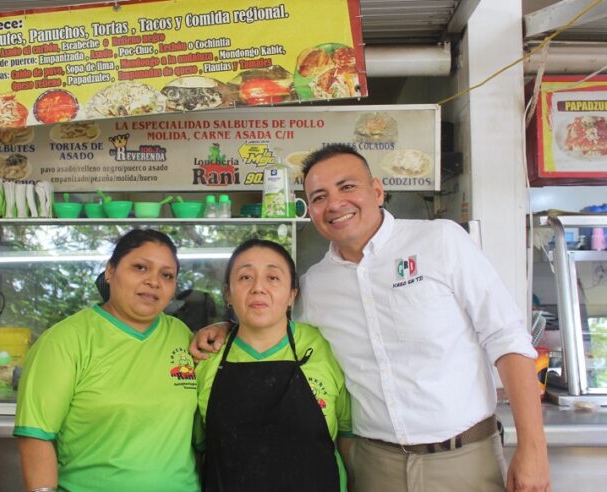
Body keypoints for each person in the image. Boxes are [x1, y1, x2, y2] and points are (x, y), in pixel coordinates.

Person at [192, 144, 550, 492]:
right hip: (372, 466)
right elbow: (268, 324)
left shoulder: (441, 241)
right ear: (310, 211)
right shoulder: (316, 285)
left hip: (464, 459)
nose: (334, 203)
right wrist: (226, 327)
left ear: (377, 190)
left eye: (347, 186)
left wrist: (533, 448)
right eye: (318, 197)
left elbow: (505, 338)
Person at [15, 229, 199, 492]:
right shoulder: (65, 341)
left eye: (166, 275)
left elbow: (199, 438)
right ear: (110, 271)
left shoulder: (182, 337)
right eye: (140, 267)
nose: (154, 281)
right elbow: (35, 436)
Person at [196, 239, 352, 491]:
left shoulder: (326, 346)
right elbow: (199, 450)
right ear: (227, 293)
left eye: (273, 278)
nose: (258, 288)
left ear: (292, 294)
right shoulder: (207, 357)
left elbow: (348, 435)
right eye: (245, 277)